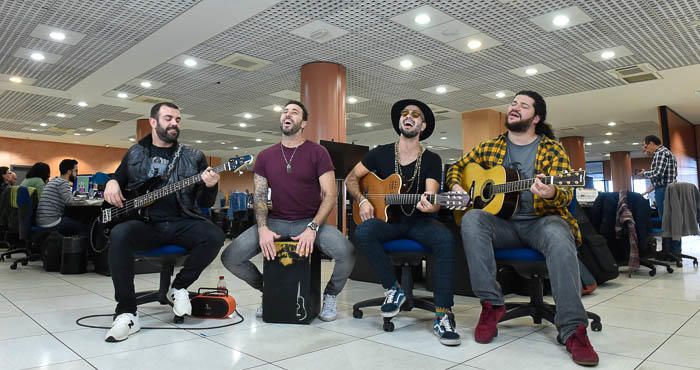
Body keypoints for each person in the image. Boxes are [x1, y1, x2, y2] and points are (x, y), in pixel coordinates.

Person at [446, 91, 598, 366]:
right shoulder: (489, 146)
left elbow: (564, 193)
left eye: (523, 105)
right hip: (503, 225)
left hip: (541, 222)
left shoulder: (552, 149)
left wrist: (551, 191)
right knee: (471, 219)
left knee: (558, 232)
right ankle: (492, 305)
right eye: (513, 103)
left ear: (536, 118)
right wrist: (458, 186)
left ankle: (573, 329)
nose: (514, 108)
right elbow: (456, 168)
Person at [220, 100, 354, 322]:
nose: (287, 115)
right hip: (276, 221)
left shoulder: (317, 152)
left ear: (304, 123)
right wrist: (262, 228)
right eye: (284, 112)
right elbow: (260, 196)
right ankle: (270, 291)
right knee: (231, 257)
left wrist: (313, 227)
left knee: (347, 253)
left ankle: (330, 295)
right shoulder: (265, 156)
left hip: (309, 221)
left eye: (294, 112)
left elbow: (330, 194)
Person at [102, 102, 224, 342]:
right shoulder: (136, 152)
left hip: (182, 220)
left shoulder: (193, 156)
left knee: (214, 235)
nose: (174, 124)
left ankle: (179, 287)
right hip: (146, 225)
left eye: (178, 119)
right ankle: (127, 312)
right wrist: (112, 181)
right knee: (119, 234)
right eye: (169, 118)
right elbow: (120, 176)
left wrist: (211, 185)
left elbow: (205, 203)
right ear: (153, 122)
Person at [345, 99, 460, 346]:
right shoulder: (379, 153)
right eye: (405, 114)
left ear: (423, 125)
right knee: (363, 232)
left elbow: (433, 198)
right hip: (387, 222)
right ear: (400, 121)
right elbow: (351, 179)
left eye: (415, 115)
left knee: (445, 239)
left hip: (418, 221)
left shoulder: (431, 159)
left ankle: (443, 314)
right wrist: (363, 201)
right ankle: (393, 289)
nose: (409, 116)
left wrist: (433, 203)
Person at [637, 135, 679, 254]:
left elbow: (658, 173)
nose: (645, 150)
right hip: (667, 189)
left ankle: (672, 251)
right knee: (670, 221)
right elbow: (662, 179)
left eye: (645, 146)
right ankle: (671, 250)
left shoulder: (660, 153)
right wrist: (646, 192)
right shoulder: (666, 152)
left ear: (651, 143)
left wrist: (644, 173)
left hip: (664, 190)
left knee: (667, 221)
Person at [36, 159, 89, 236]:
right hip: (51, 222)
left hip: (42, 220)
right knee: (84, 228)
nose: (77, 174)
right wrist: (85, 199)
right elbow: (70, 201)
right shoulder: (63, 183)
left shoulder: (54, 181)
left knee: (71, 218)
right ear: (69, 172)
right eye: (76, 171)